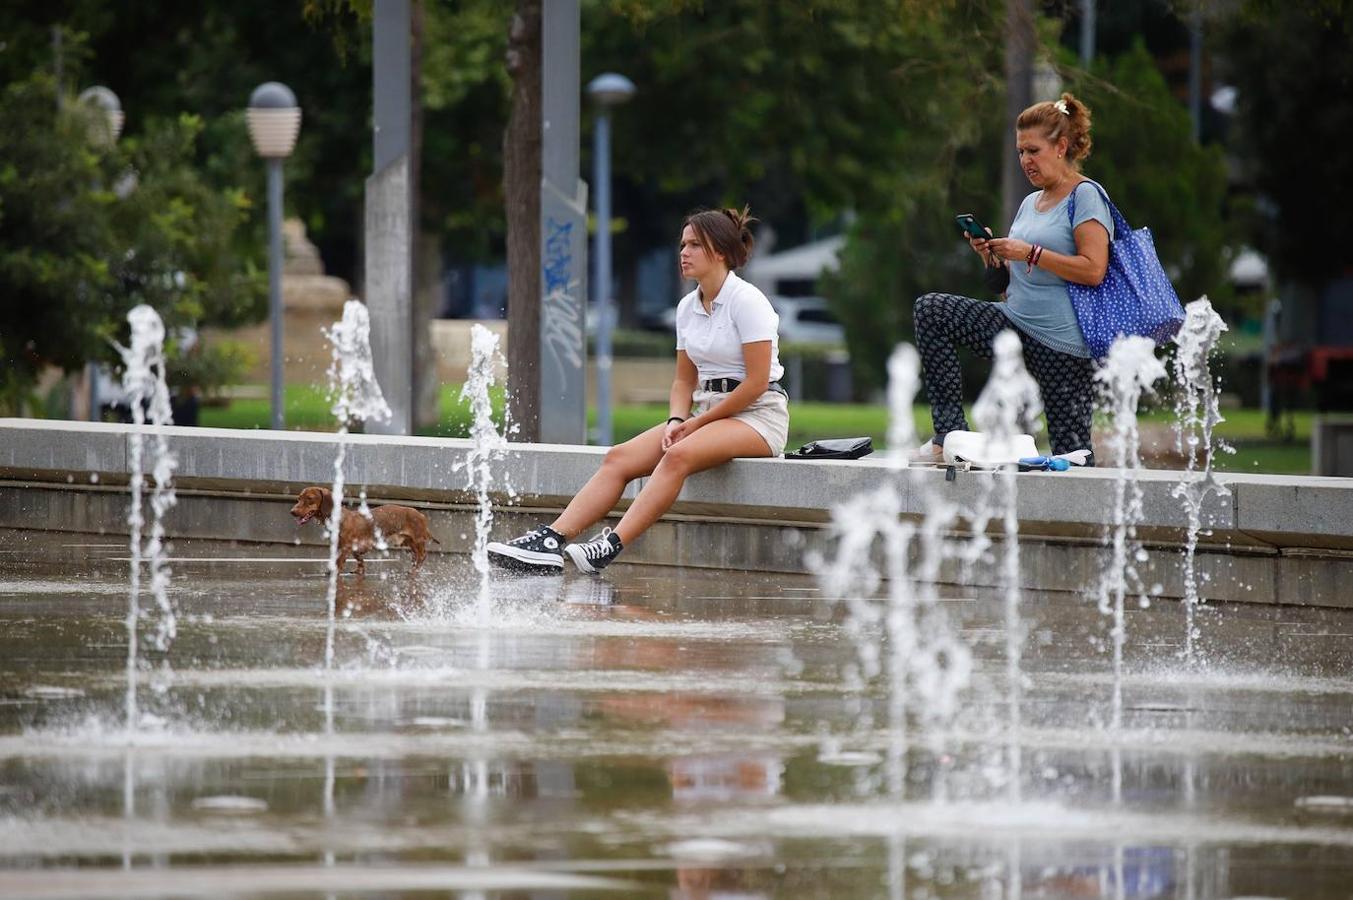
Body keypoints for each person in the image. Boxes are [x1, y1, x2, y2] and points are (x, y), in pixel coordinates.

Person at [488, 206, 789, 575]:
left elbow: (757, 383)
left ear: (721, 251)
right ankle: (551, 540)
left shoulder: (748, 301)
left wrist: (694, 425)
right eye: (682, 244)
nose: (683, 252)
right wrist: (676, 419)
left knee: (676, 456)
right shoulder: (686, 308)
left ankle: (609, 546)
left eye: (694, 244)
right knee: (618, 457)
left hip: (758, 416)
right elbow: (683, 380)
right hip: (706, 413)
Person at [911, 92, 1113, 463]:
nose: (1025, 160)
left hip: (1062, 346)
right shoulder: (1029, 203)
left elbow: (1093, 269)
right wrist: (992, 259)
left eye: (1033, 151)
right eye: (1020, 152)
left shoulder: (1086, 196)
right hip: (1015, 326)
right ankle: (947, 436)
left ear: (1061, 147)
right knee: (932, 310)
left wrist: (1029, 252)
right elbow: (1006, 289)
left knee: (1074, 455)